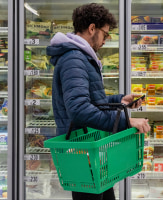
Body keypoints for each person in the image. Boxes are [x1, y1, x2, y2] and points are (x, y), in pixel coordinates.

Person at [47, 3, 150, 200]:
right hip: (80, 148)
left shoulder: (82, 57)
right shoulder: (73, 59)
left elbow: (91, 100)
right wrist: (126, 121)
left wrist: (120, 101)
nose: (105, 40)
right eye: (105, 34)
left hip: (90, 145)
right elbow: (79, 109)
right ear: (92, 28)